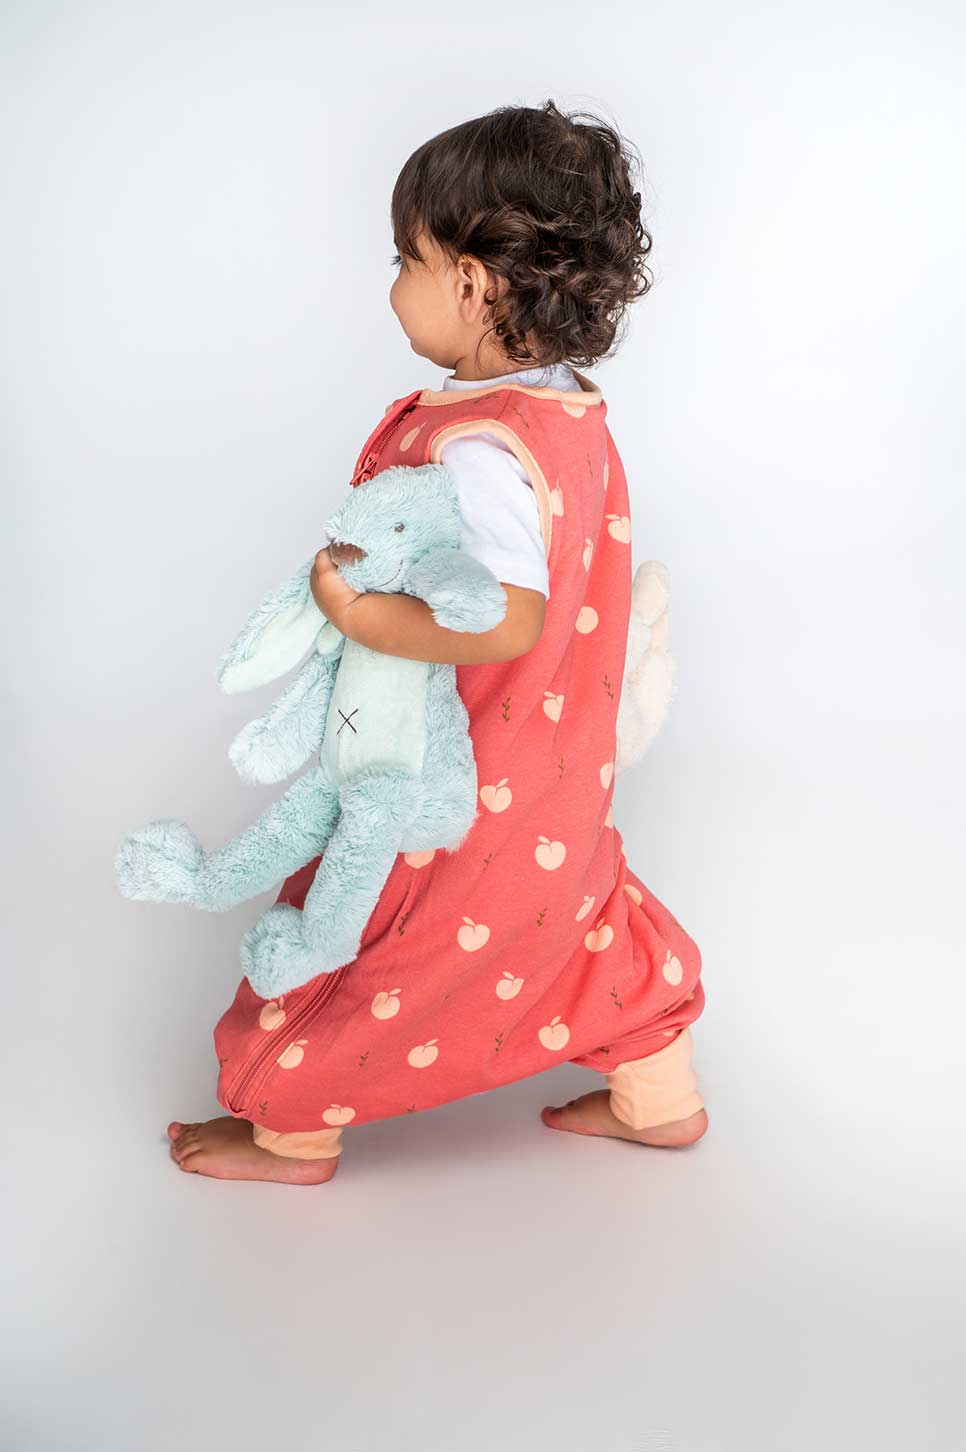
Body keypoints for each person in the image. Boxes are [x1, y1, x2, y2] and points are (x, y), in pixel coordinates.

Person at [166, 99, 708, 1184]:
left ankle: (289, 1124)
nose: (392, 286)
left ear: (471, 283)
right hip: (556, 769)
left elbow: (509, 616)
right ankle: (659, 1098)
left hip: (459, 773)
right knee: (572, 913)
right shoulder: (566, 415)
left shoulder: (482, 451)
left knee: (373, 927)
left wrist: (359, 615)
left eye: (403, 259)